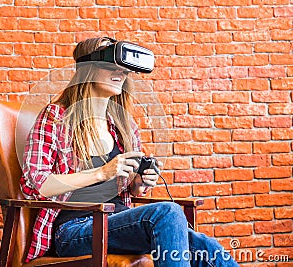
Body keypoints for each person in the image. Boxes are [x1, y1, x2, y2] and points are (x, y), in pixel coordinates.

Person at [20, 37, 239, 267]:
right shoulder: (56, 117)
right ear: (87, 69)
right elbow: (35, 185)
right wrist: (101, 173)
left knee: (207, 248)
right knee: (168, 213)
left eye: (124, 69)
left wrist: (139, 182)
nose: (120, 73)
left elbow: (130, 191)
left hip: (120, 221)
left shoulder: (124, 126)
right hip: (75, 229)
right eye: (110, 67)